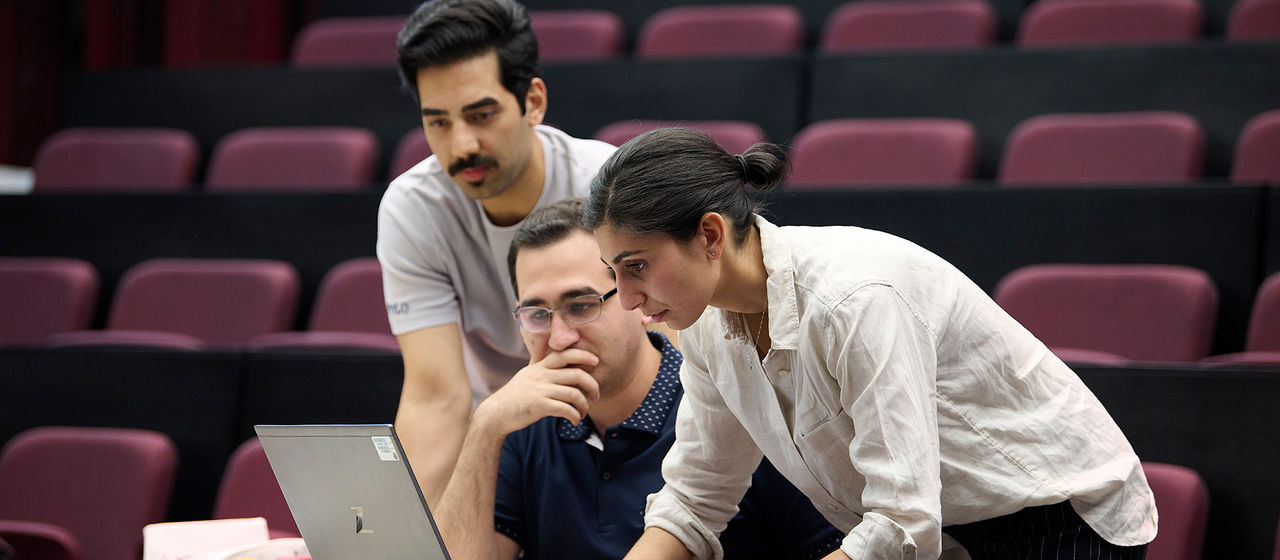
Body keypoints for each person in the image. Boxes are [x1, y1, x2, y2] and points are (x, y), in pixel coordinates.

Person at [582, 128, 1159, 560]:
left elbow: (902, 522)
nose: (627, 298)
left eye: (638, 266)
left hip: (1053, 516)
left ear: (709, 234)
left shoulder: (854, 298)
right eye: (614, 273)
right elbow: (695, 497)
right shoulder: (704, 321)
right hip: (948, 528)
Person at [432, 198, 844, 560]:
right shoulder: (523, 422)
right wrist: (485, 428)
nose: (559, 337)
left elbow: (836, 547)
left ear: (636, 296)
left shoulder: (730, 402)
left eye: (581, 305)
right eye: (537, 315)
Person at [377, 0, 618, 505]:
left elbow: (669, 360)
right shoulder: (411, 208)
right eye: (438, 122)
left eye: (480, 115)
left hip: (617, 419)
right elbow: (435, 398)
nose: (461, 144)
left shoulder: (610, 185)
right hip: (497, 428)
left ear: (533, 101)